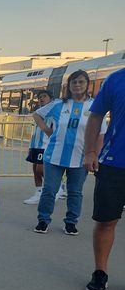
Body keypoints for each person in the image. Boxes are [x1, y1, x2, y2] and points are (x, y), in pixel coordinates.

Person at [32, 70, 103, 236]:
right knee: (49, 190)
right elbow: (37, 114)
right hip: (54, 156)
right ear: (69, 85)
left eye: (81, 82)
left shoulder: (94, 106)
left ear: (87, 85)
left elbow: (100, 133)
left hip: (80, 158)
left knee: (75, 192)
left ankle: (71, 222)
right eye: (74, 82)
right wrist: (46, 129)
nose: (77, 85)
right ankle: (43, 220)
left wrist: (94, 155)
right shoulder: (58, 104)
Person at [83, 67, 125, 290]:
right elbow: (96, 116)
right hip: (114, 162)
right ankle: (100, 272)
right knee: (106, 221)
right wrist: (90, 152)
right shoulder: (116, 79)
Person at [23, 90, 53, 204]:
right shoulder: (38, 111)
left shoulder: (51, 111)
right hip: (36, 144)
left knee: (40, 169)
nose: (41, 98)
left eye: (44, 96)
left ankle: (57, 185)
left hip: (46, 144)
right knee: (35, 169)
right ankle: (38, 192)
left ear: (50, 98)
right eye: (39, 97)